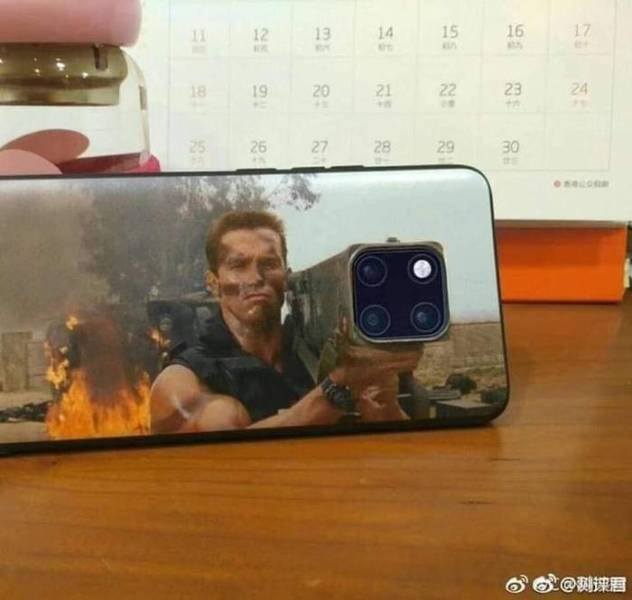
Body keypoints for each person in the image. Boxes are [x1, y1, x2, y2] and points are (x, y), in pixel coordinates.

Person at [150, 210, 422, 433]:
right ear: (213, 282)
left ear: (286, 275)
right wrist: (336, 389)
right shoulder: (183, 378)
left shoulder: (318, 352)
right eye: (238, 266)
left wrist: (383, 406)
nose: (256, 278)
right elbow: (229, 452)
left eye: (269, 264)